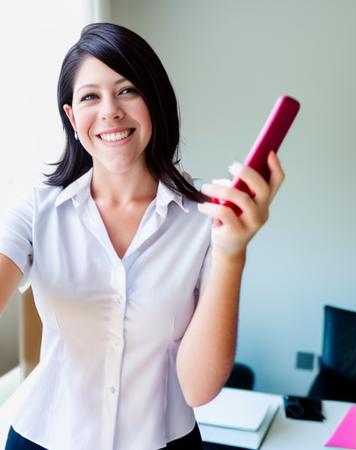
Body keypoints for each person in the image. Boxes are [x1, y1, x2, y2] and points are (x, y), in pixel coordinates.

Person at [0, 22, 285, 450]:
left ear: (155, 100)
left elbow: (197, 389)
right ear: (72, 117)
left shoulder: (209, 218)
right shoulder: (38, 211)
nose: (111, 110)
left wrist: (231, 252)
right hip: (44, 439)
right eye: (90, 96)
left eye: (127, 89)